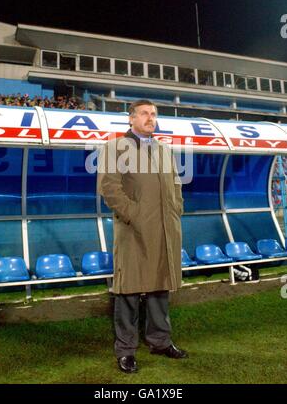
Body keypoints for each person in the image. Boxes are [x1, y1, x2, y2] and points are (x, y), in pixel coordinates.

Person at [97, 99, 187, 373]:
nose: (151, 118)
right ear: (131, 118)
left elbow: (175, 183)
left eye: (154, 114)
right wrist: (133, 215)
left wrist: (176, 209)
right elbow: (109, 188)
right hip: (133, 230)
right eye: (145, 114)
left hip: (164, 228)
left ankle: (160, 341)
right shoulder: (114, 148)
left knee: (160, 286)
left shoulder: (163, 150)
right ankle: (125, 350)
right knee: (128, 291)